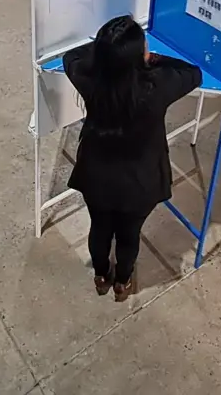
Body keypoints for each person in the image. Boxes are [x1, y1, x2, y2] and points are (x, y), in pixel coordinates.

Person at [63, 16, 201, 301]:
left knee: (99, 228)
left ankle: (101, 275)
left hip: (97, 175)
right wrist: (154, 60)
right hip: (141, 181)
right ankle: (122, 282)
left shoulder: (90, 79)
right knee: (129, 235)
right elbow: (192, 72)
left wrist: (106, 52)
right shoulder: (156, 87)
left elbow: (71, 56)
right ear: (140, 55)